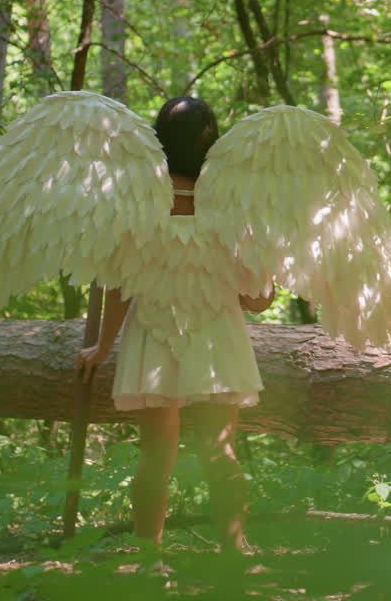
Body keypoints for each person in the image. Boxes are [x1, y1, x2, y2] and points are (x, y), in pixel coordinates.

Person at [74, 96, 273, 555]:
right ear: (211, 142)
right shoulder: (229, 202)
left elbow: (119, 286)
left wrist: (103, 347)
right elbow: (257, 300)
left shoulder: (139, 200)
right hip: (217, 335)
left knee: (155, 455)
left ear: (158, 139)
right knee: (219, 450)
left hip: (153, 332)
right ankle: (233, 551)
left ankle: (150, 562)